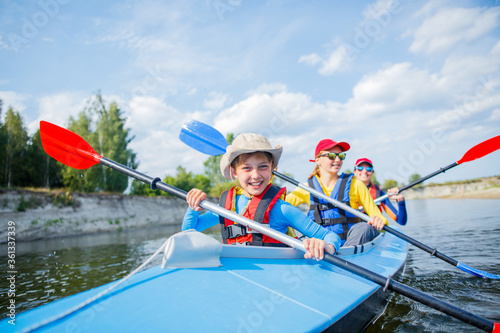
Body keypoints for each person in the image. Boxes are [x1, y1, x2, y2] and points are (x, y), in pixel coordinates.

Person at [182, 133, 341, 260]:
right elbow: (189, 232)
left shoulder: (282, 209)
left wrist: (326, 246)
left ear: (273, 168)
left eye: (263, 167)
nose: (256, 175)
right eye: (247, 168)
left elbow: (330, 236)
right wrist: (193, 207)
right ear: (234, 172)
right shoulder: (226, 208)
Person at [286, 139, 387, 247]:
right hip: (321, 247)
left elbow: (378, 216)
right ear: (318, 160)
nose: (338, 159)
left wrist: (378, 220)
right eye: (332, 156)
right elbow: (279, 206)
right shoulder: (306, 188)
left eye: (341, 156)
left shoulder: (356, 185)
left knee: (364, 227)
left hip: (350, 246)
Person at [353, 158, 407, 225]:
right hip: (353, 229)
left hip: (373, 229)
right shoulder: (347, 190)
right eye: (360, 168)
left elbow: (401, 221)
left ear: (372, 173)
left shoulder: (378, 192)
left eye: (368, 169)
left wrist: (400, 200)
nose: (364, 171)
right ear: (354, 172)